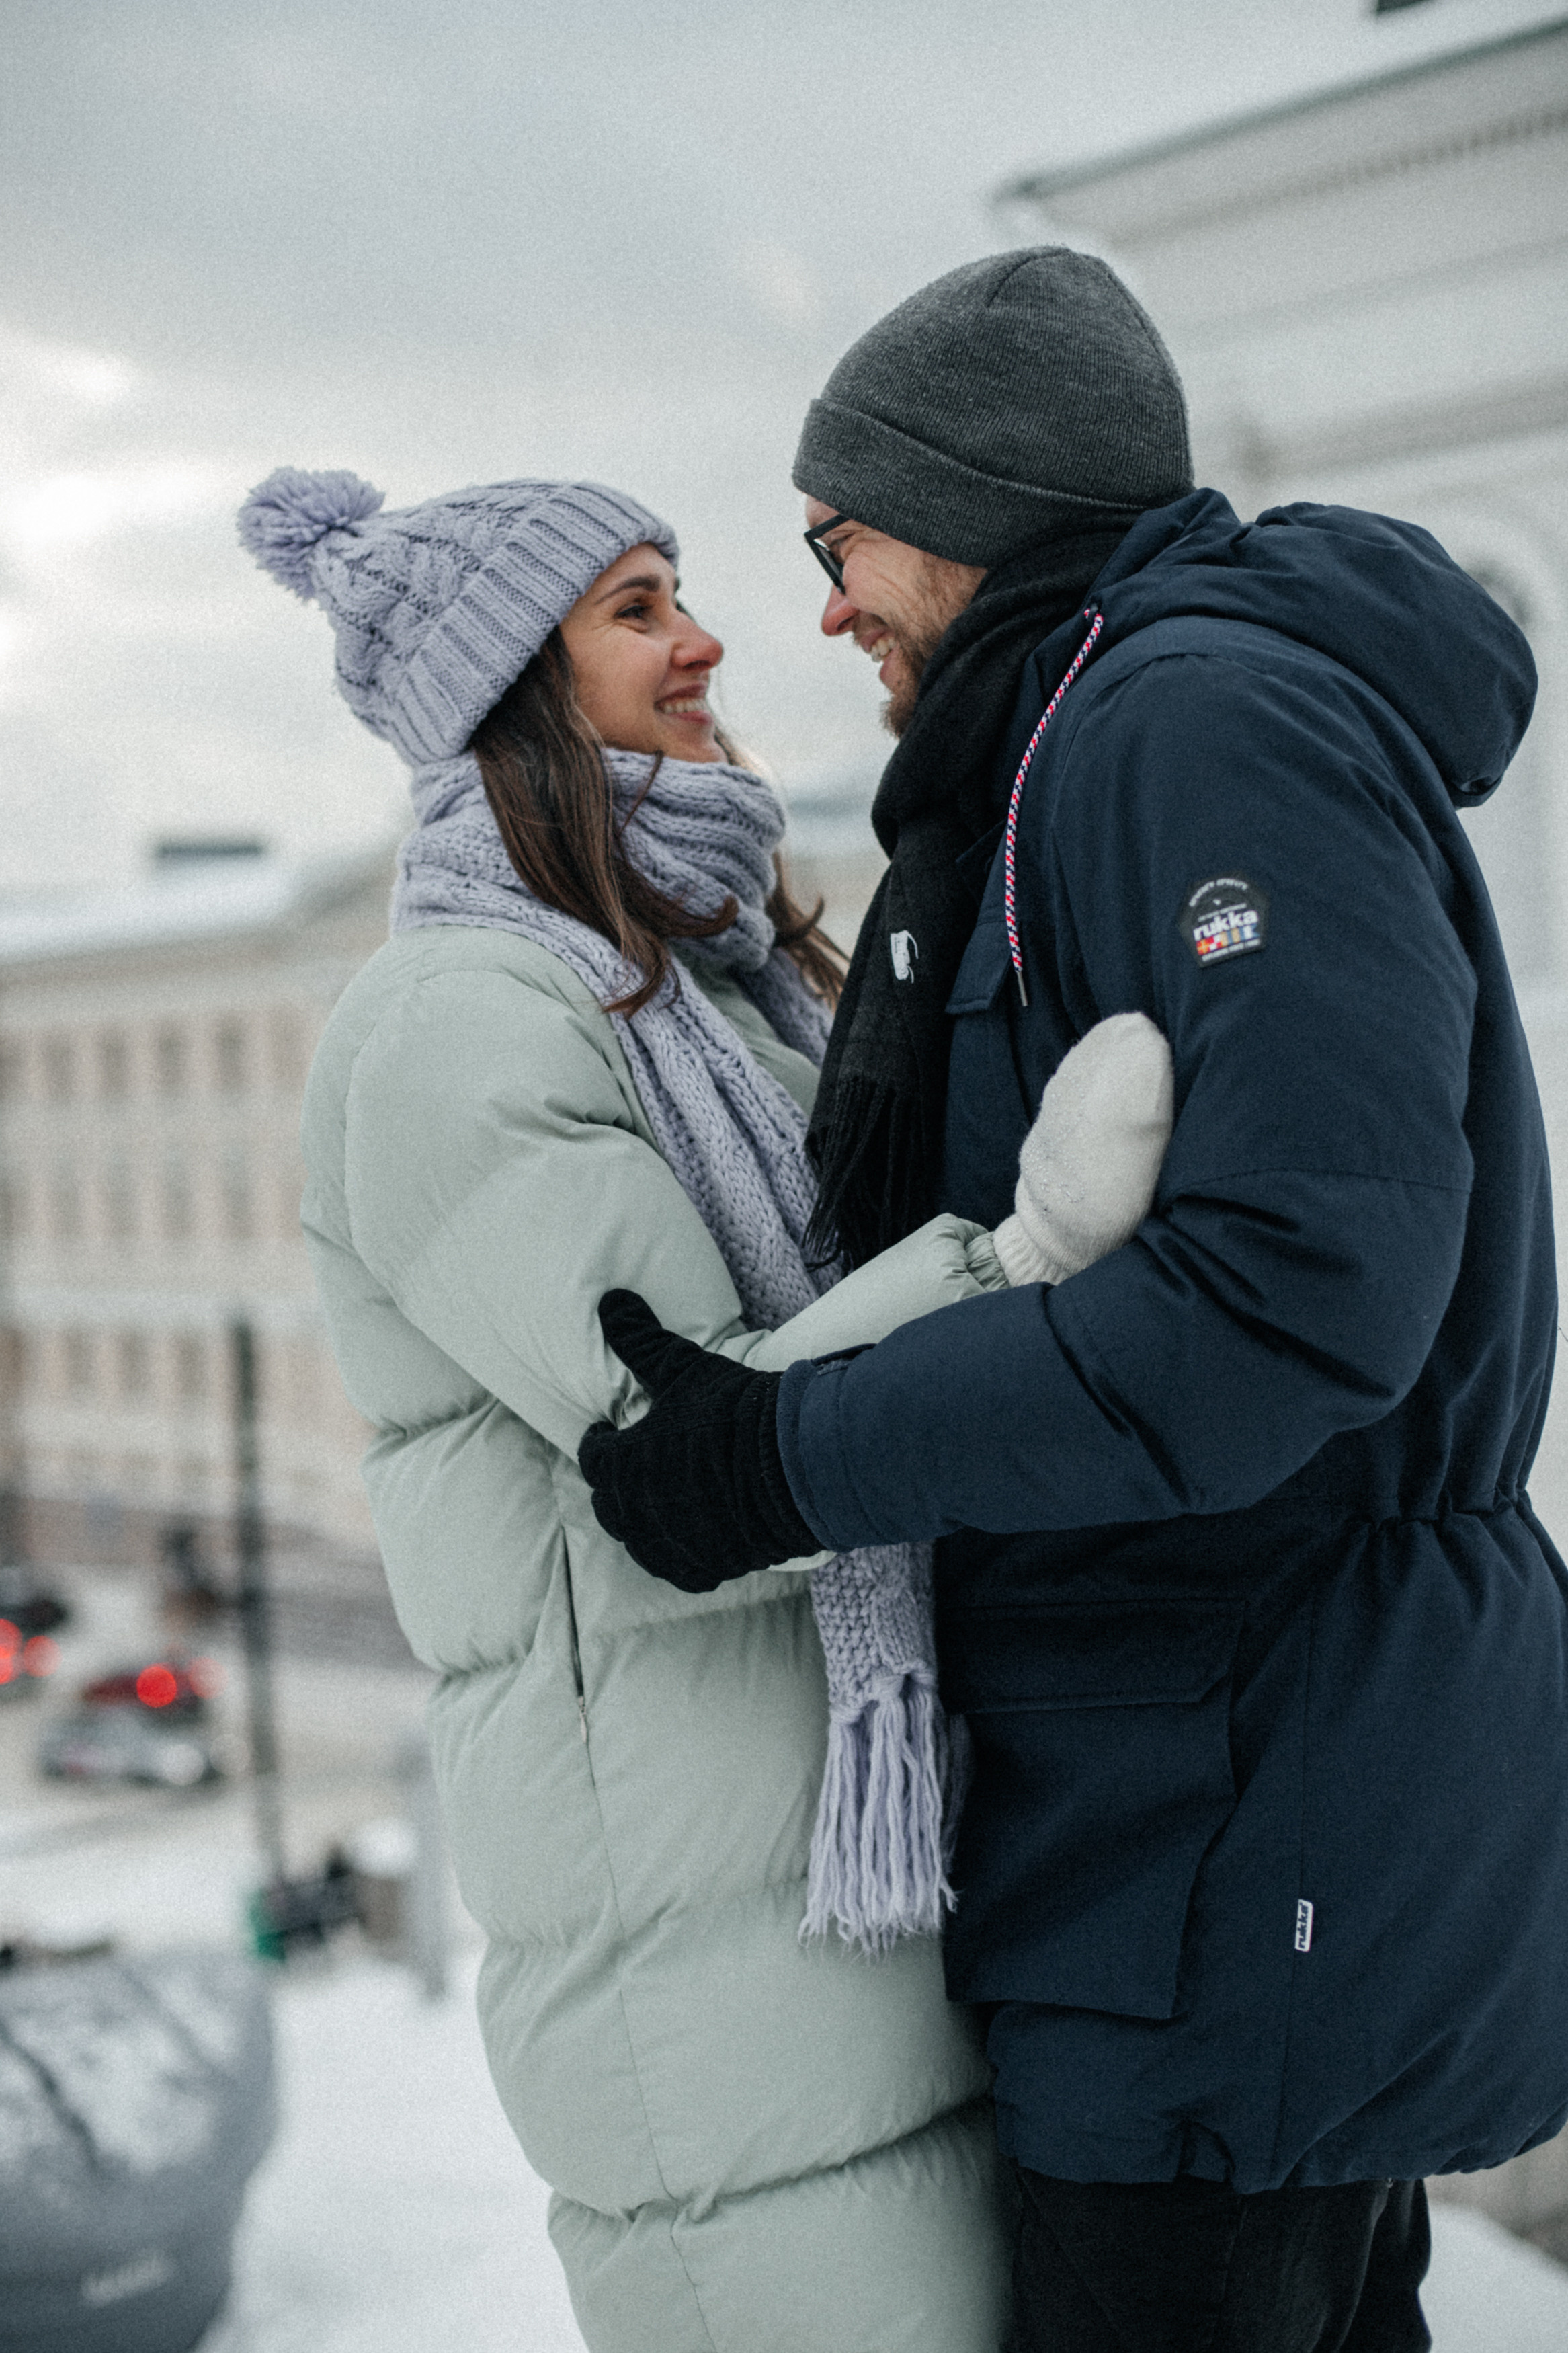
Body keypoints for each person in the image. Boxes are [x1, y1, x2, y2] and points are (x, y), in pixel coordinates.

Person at [577, 248, 1567, 2353]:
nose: (826, 606)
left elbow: (1295, 1289)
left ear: (975, 506)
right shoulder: (1095, 737)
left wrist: (789, 1457)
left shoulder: (1194, 726)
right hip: (1192, 1809)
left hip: (1241, 1815)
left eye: (840, 542)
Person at [236, 466, 1175, 2351]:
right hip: (701, 1973)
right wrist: (1024, 1252)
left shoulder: (711, 984)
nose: (706, 643)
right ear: (513, 679)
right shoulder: (455, 1029)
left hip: (850, 1889)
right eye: (639, 608)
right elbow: (690, 1462)